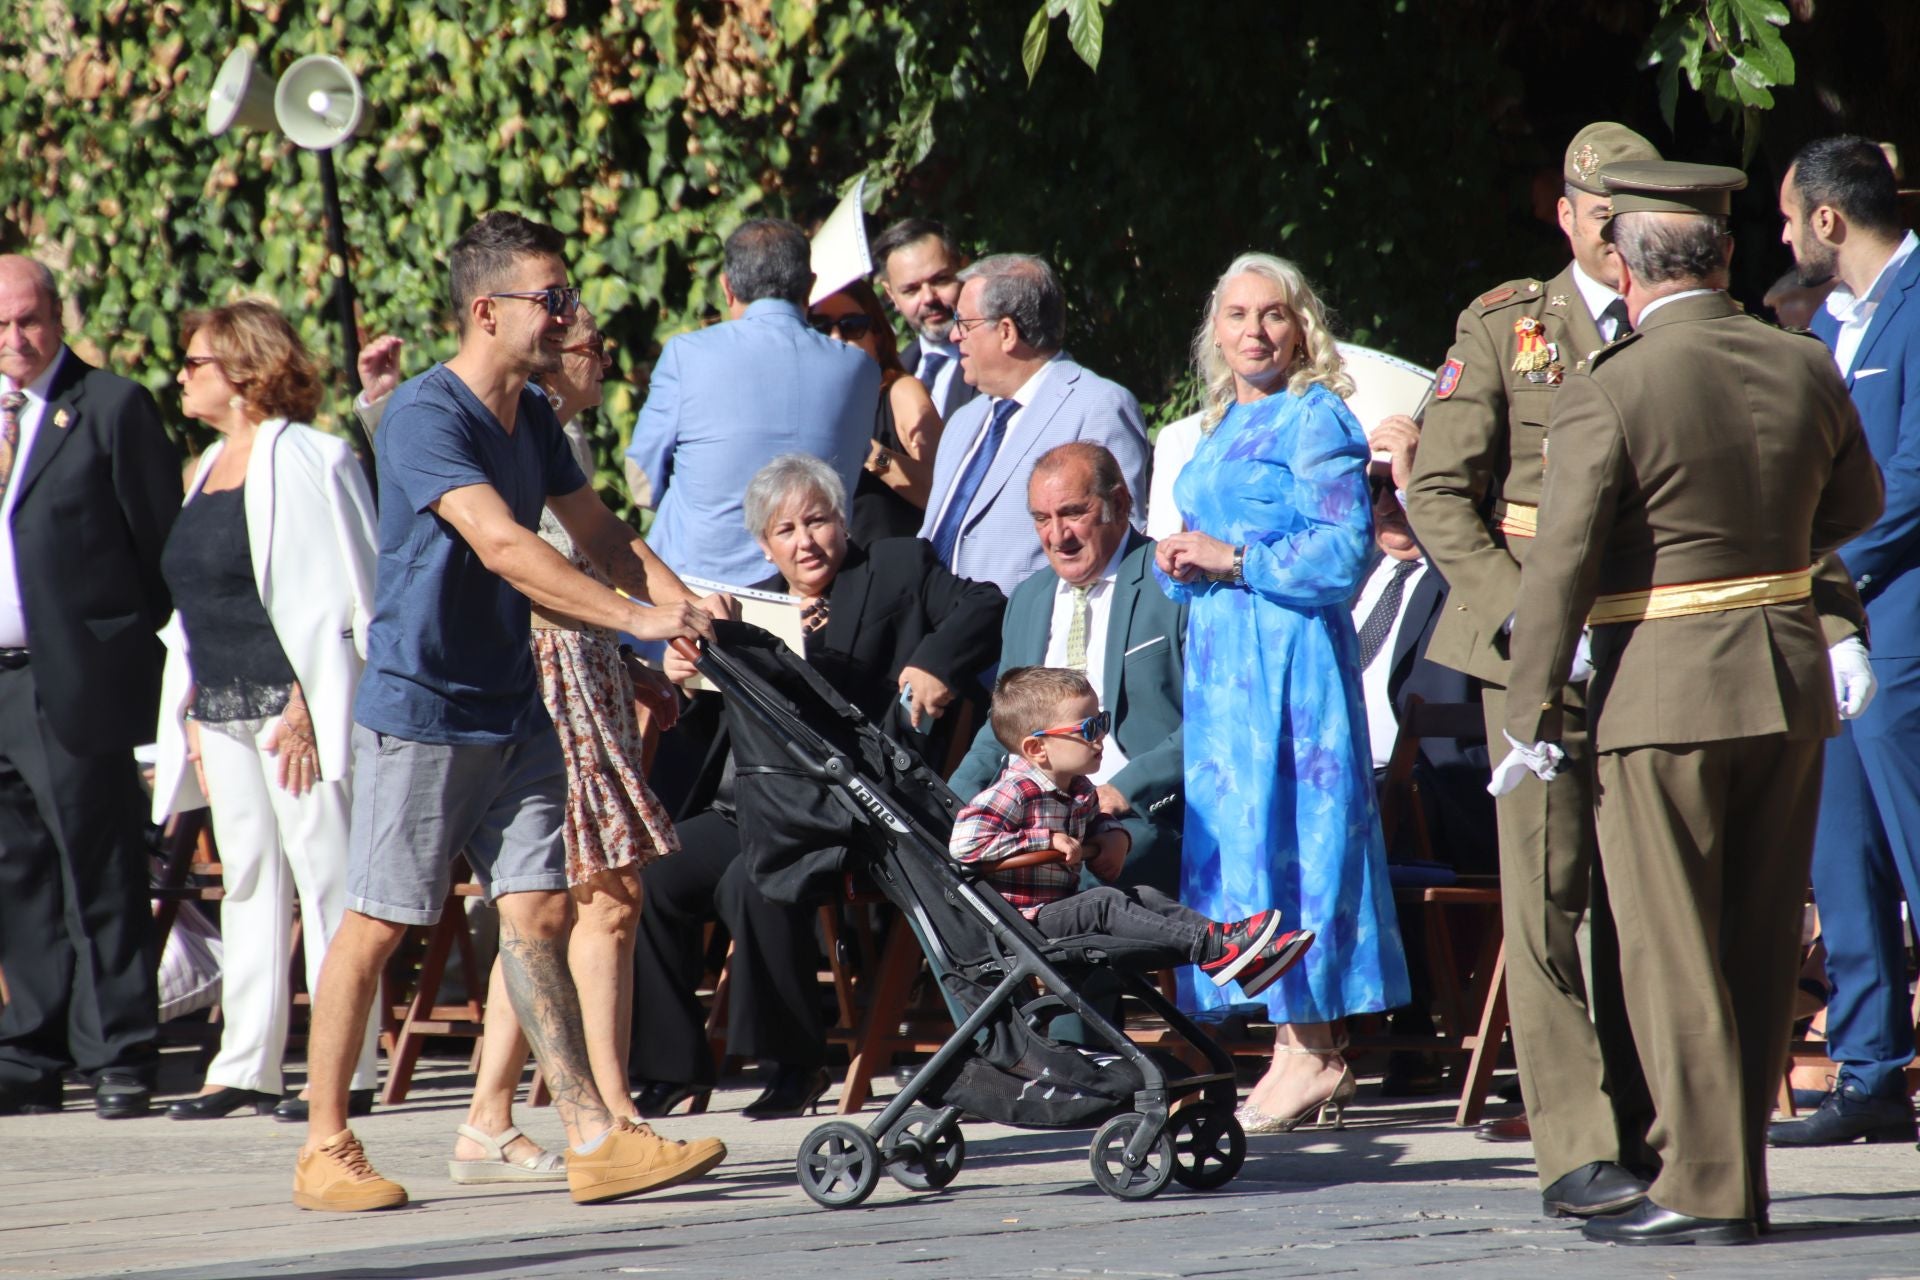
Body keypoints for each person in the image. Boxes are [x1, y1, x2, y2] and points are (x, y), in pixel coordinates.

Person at [293, 211, 727, 1212]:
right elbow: (505, 547)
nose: (572, 315)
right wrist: (636, 618)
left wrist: (684, 607)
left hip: (512, 704)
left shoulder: (533, 418)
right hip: (423, 706)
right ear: (488, 312)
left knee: (537, 904)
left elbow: (600, 534)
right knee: (378, 922)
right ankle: (325, 1142)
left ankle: (590, 1134)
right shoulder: (423, 415)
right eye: (555, 298)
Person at [1499, 160, 1882, 1245]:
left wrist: (1528, 715)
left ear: (1621, 266)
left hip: (1659, 692)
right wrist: (1763, 566)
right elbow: (1857, 501)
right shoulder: (1801, 361)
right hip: (1782, 678)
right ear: (1724, 258)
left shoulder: (1612, 384)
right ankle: (1738, 1177)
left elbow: (1561, 562)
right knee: (1759, 942)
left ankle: (1705, 1183)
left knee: (1668, 948)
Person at [1403, 122, 1660, 1200]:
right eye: (1603, 217)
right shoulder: (1509, 325)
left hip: (1654, 640)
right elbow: (1437, 494)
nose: (1620, 238)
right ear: (1566, 214)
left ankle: (1654, 1126)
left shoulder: (1681, 322)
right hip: (1532, 658)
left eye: (1637, 220)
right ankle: (1577, 1143)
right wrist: (1525, 620)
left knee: (1649, 896)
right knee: (1551, 891)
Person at [632, 453, 1003, 1117]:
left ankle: (794, 1066)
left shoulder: (895, 568)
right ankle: (670, 1067)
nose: (805, 541)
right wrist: (691, 669)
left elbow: (985, 603)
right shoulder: (749, 608)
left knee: (754, 878)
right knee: (652, 873)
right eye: (786, 530)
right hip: (745, 802)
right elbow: (706, 725)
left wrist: (929, 664)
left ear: (843, 520)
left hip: (841, 808)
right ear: (764, 544)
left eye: (819, 521)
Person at [1154, 252, 1408, 1135]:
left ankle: (1317, 1048)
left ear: (1300, 326)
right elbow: (1216, 541)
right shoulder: (1223, 422)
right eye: (1237, 316)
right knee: (1245, 844)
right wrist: (1186, 556)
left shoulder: (1316, 416)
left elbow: (1343, 554)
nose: (1255, 331)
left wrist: (1233, 558)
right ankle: (1287, 1043)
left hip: (1292, 662)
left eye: (1273, 315)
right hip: (1227, 668)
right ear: (1215, 331)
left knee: (1298, 839)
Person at [448, 304, 690, 1183]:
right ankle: (614, 1114)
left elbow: (584, 571)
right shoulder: (520, 429)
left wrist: (631, 665)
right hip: (551, 680)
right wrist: (644, 631)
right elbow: (521, 575)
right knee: (597, 898)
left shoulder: (555, 440)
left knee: (545, 909)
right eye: (590, 344)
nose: (602, 357)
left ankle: (487, 1116)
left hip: (583, 669)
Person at [149, 300, 381, 1120]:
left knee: (325, 874)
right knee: (247, 878)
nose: (181, 375)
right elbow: (192, 609)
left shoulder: (317, 458)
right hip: (220, 704)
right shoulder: (203, 467)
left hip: (295, 708)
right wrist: (189, 717)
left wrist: (313, 706)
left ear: (243, 371)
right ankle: (243, 1061)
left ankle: (342, 1065)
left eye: (196, 362)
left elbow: (353, 594)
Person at [0, 256, 181, 1120]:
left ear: (58, 316)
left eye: (29, 320)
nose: (15, 340)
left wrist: (115, 649)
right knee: (16, 872)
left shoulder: (109, 407)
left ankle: (118, 1052)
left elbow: (158, 553)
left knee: (96, 866)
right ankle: (30, 1052)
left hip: (70, 676)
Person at [1769, 136, 1920, 1149]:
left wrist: (1830, 563)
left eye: (1789, 218)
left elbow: (1912, 474)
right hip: (1833, 627)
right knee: (1844, 850)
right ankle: (1869, 1070)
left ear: (1830, 220)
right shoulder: (1829, 319)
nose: (1782, 237)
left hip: (1899, 613)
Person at [951, 666, 1314, 996]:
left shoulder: (1078, 788)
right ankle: (1215, 951)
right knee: (1105, 902)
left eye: (1102, 721)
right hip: (1022, 918)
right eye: (1088, 729)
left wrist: (1114, 834)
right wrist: (1044, 840)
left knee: (1144, 895)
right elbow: (963, 844)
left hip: (1056, 906)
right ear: (1037, 749)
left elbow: (1096, 819)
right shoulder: (1013, 791)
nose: (1101, 738)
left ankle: (1226, 946)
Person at [950, 442, 1187, 898]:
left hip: (1140, 815)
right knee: (938, 885)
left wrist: (1122, 790)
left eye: (1073, 513)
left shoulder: (1172, 582)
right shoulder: (1028, 598)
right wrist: (950, 802)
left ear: (1119, 504)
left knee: (1061, 888)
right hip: (1033, 817)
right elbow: (1002, 725)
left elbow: (1216, 721)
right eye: (1042, 519)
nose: (1057, 536)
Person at [624, 218, 880, 586]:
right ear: (810, 288)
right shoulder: (860, 369)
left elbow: (643, 483)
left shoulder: (687, 354)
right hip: (814, 590)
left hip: (702, 593)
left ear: (727, 288)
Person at [919, 254, 1150, 597]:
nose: (954, 336)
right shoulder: (963, 421)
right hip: (930, 633)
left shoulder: (1097, 406)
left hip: (1024, 638)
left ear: (1007, 332)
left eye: (964, 323)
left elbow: (1119, 538)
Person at [807, 279, 944, 542]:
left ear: (877, 337)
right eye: (820, 328)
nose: (836, 338)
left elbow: (941, 492)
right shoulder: (802, 408)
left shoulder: (901, 393)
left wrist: (870, 452)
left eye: (852, 326)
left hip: (899, 571)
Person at [874, 217, 977, 422]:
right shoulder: (890, 376)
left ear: (964, 270)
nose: (929, 298)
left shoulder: (1001, 360)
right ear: (891, 294)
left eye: (940, 280)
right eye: (911, 290)